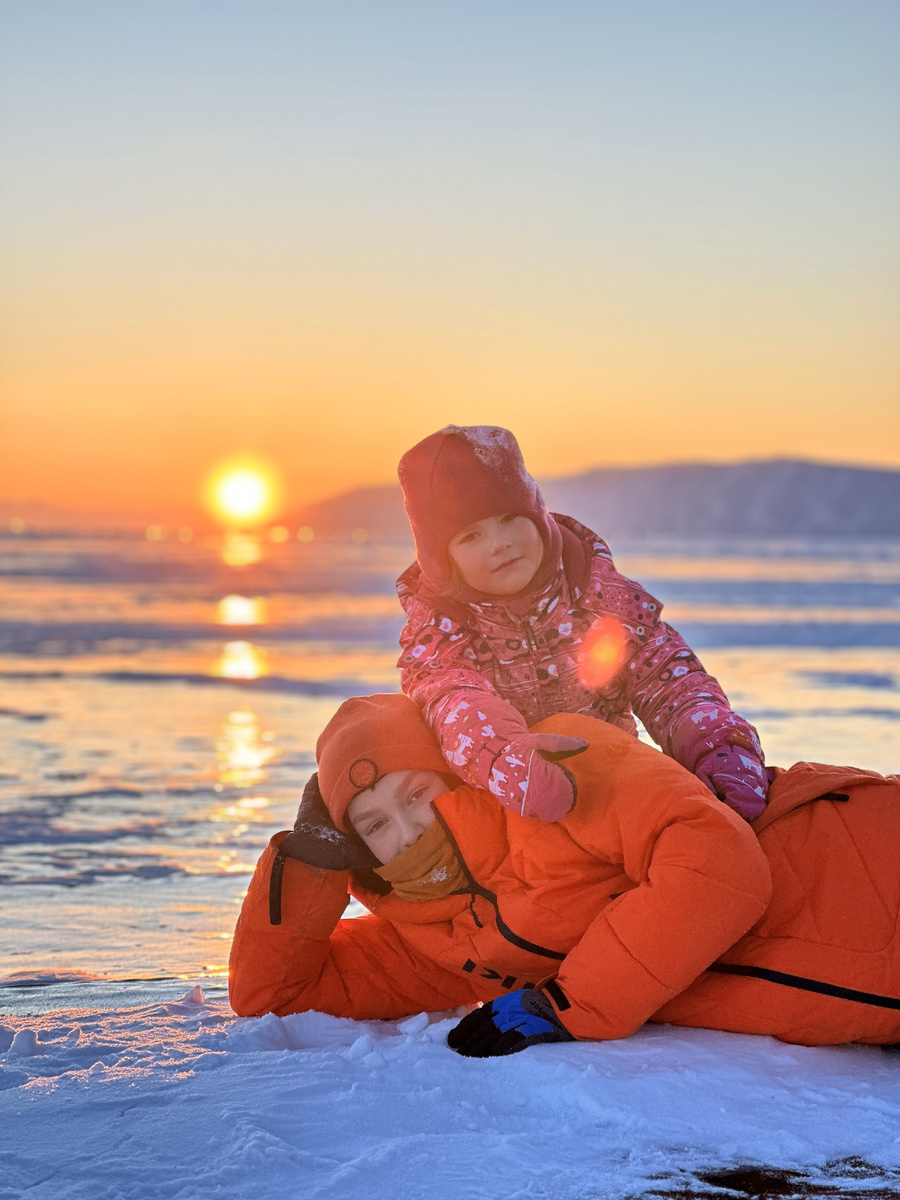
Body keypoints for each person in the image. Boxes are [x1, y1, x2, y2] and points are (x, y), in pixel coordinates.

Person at [229, 693, 900, 1053]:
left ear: (457, 772)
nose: (406, 831)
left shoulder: (553, 775)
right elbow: (276, 995)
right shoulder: (433, 945)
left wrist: (571, 1002)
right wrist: (311, 858)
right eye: (373, 825)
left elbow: (715, 861)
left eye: (415, 795)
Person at [395, 425, 769, 822]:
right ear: (442, 560)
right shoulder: (441, 636)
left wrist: (719, 748)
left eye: (509, 518)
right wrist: (506, 757)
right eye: (470, 536)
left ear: (538, 517)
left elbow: (672, 683)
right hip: (508, 813)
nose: (499, 543)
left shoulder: (603, 602)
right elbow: (457, 703)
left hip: (616, 793)